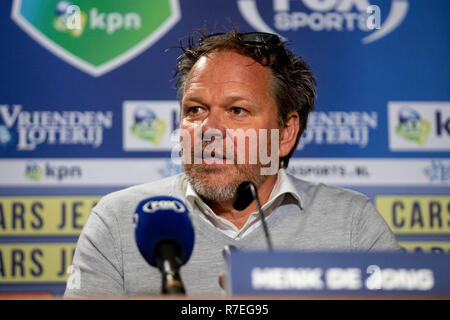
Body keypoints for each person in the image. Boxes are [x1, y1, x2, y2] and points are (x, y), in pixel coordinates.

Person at [64, 30, 400, 298]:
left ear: (286, 132)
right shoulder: (119, 219)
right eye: (195, 110)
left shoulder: (351, 222)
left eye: (237, 111)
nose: (209, 131)